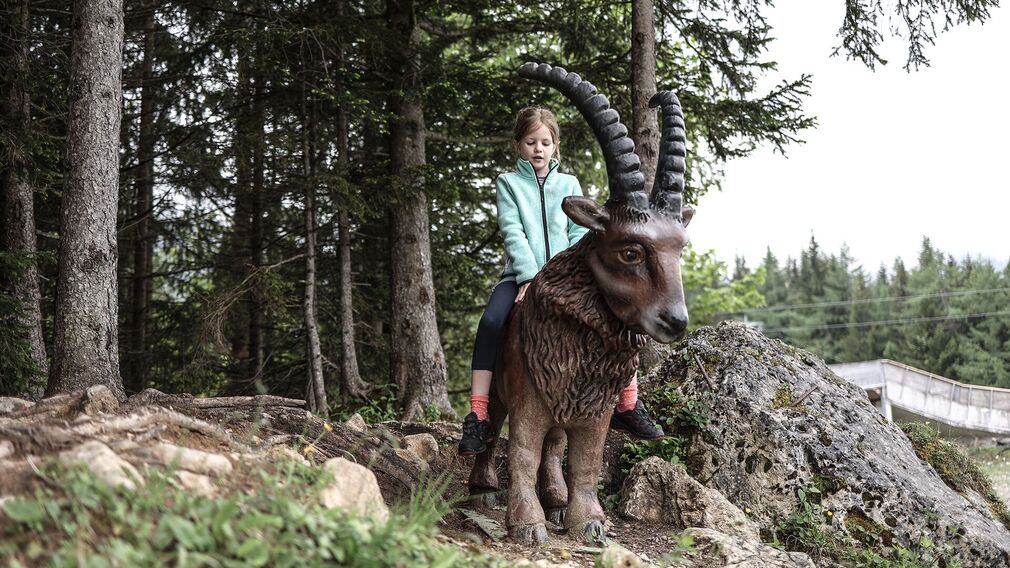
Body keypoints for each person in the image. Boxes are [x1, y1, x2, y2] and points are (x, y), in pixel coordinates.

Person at [458, 106, 665, 456]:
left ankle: (628, 403)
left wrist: (565, 276)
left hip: (569, 278)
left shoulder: (569, 184)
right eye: (530, 142)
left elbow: (577, 234)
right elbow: (513, 232)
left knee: (617, 320)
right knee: (491, 322)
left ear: (555, 145)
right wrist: (529, 278)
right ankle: (479, 413)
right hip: (521, 276)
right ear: (517, 146)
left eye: (545, 142)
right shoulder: (508, 184)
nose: (538, 149)